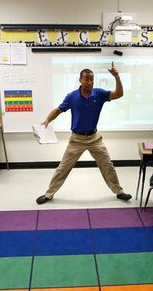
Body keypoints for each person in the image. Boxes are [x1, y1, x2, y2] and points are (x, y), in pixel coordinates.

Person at [36, 66, 132, 205]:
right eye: (87, 79)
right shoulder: (72, 96)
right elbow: (58, 110)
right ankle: (49, 194)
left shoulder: (99, 94)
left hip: (94, 138)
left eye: (92, 79)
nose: (90, 82)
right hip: (76, 139)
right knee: (62, 168)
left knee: (108, 166)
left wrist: (116, 76)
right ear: (80, 80)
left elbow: (119, 94)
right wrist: (47, 120)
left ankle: (118, 192)